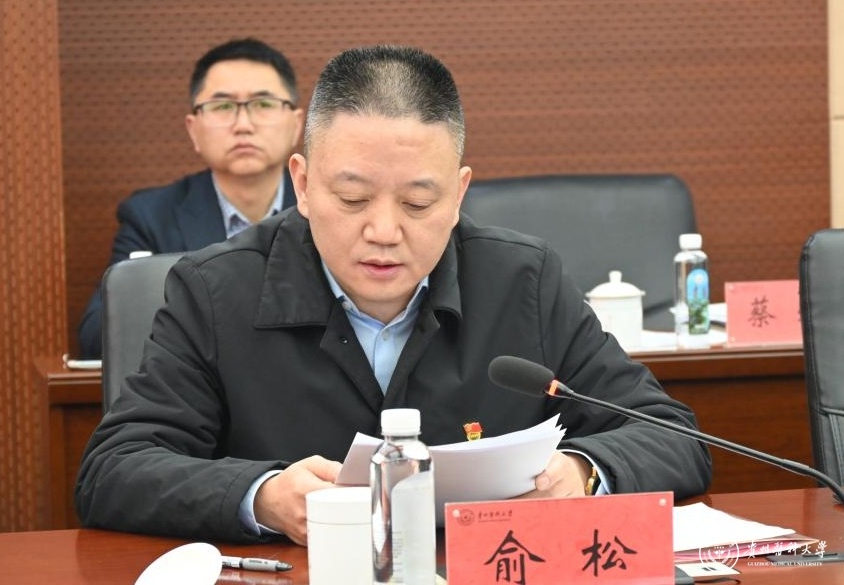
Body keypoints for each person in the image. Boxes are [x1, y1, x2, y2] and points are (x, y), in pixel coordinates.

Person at [75, 45, 711, 545]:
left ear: (458, 194)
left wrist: (582, 473)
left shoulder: (523, 280)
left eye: (418, 202)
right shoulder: (216, 289)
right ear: (303, 184)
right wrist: (262, 496)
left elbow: (672, 437)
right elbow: (113, 470)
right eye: (352, 199)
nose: (383, 231)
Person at [77, 38, 304, 358]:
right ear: (193, 130)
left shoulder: (329, 209)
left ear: (296, 125)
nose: (243, 125)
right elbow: (101, 334)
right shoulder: (151, 218)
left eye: (263, 104)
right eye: (222, 106)